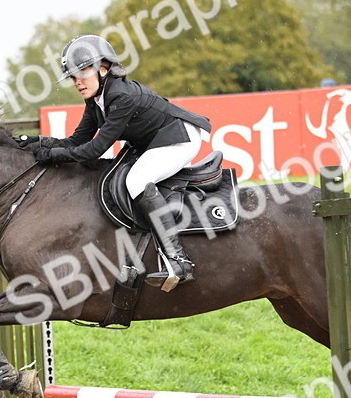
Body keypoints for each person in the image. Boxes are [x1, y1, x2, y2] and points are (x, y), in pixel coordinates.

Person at [16, 35, 211, 291]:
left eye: (82, 73)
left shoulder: (121, 97)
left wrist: (52, 156)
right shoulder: (96, 99)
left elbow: (95, 149)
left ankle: (178, 260)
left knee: (137, 180)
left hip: (180, 138)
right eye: (73, 77)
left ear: (103, 69)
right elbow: (77, 140)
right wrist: (36, 142)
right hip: (154, 140)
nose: (77, 82)